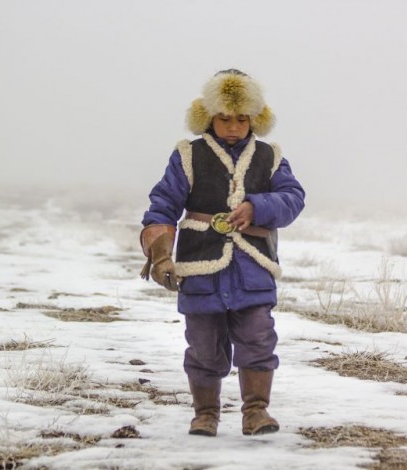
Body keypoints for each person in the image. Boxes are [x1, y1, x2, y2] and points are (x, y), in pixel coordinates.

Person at [139, 69, 305, 437]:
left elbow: (293, 198)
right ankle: (205, 415)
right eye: (225, 118)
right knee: (203, 346)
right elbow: (163, 205)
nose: (233, 127)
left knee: (258, 338)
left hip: (253, 267)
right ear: (208, 116)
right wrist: (161, 255)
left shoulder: (270, 157)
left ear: (255, 118)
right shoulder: (188, 155)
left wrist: (258, 207)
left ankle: (256, 412)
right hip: (200, 267)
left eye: (242, 119)